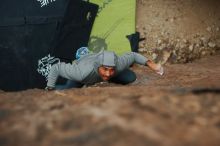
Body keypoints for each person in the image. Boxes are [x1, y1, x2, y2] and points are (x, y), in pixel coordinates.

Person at [45, 50, 164, 90]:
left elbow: (133, 55)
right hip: (85, 70)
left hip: (97, 66)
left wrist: (152, 65)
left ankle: (110, 80)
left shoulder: (118, 65)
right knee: (67, 90)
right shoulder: (81, 73)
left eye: (111, 69)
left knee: (130, 77)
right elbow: (56, 67)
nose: (108, 73)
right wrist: (50, 87)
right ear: (98, 67)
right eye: (105, 69)